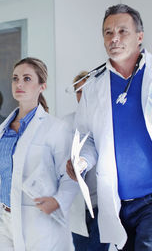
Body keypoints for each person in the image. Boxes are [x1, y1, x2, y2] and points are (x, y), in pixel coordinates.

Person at [66, 4, 152, 251]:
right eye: (107, 32)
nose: (114, 38)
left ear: (139, 36)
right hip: (119, 201)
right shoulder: (93, 88)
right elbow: (86, 137)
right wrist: (81, 161)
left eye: (122, 31)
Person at [0, 57, 78, 250]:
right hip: (4, 219)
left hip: (36, 220)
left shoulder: (56, 128)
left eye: (27, 79)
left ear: (41, 86)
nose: (19, 83)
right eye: (15, 78)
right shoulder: (1, 131)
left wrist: (58, 201)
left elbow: (70, 175)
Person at [64, 72, 108, 251]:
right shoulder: (65, 124)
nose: (82, 96)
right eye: (78, 91)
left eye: (86, 90)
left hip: (102, 203)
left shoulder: (106, 120)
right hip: (78, 207)